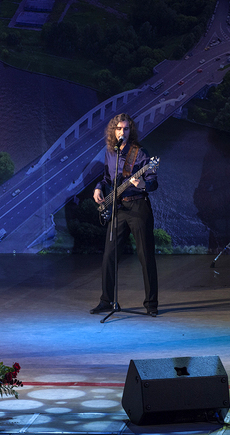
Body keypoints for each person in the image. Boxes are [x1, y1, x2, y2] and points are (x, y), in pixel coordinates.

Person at [90, 113, 159, 317]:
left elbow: (153, 182)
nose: (122, 132)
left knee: (145, 256)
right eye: (119, 129)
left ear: (131, 131)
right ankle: (106, 301)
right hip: (119, 208)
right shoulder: (110, 153)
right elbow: (106, 178)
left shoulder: (141, 153)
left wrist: (143, 184)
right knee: (109, 255)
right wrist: (98, 188)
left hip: (138, 207)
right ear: (113, 131)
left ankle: (151, 304)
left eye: (126, 129)